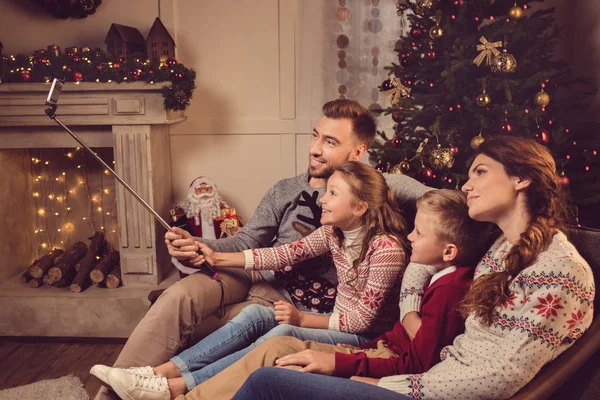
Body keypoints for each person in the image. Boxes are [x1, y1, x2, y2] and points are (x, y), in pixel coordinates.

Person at [93, 99, 430, 400]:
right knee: (181, 294)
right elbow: (259, 245)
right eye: (315, 136)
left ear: (357, 153)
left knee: (259, 325)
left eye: (329, 142)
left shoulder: (374, 188)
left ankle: (177, 386)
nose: (314, 149)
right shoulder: (288, 194)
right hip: (261, 280)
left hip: (315, 310)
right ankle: (120, 388)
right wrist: (202, 247)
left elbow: (439, 203)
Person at [221, 136, 596, 400]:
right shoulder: (498, 243)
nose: (467, 185)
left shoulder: (560, 270)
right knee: (280, 362)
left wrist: (384, 384)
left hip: (426, 390)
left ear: (521, 178)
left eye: (480, 172)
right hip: (422, 376)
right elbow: (424, 259)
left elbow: (499, 377)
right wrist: (410, 309)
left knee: (268, 382)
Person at [170, 189, 493, 399]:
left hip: (384, 361)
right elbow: (283, 253)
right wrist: (212, 254)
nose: (410, 236)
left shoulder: (447, 286)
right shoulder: (439, 274)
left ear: (449, 250)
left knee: (281, 359)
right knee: (279, 341)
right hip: (374, 349)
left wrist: (342, 361)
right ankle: (182, 390)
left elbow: (417, 361)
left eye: (419, 233)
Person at [169, 176, 240, 241]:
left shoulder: (224, 211)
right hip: (195, 250)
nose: (204, 192)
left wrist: (231, 229)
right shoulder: (183, 213)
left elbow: (239, 232)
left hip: (219, 250)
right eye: (200, 190)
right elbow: (173, 233)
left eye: (208, 189)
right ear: (192, 192)